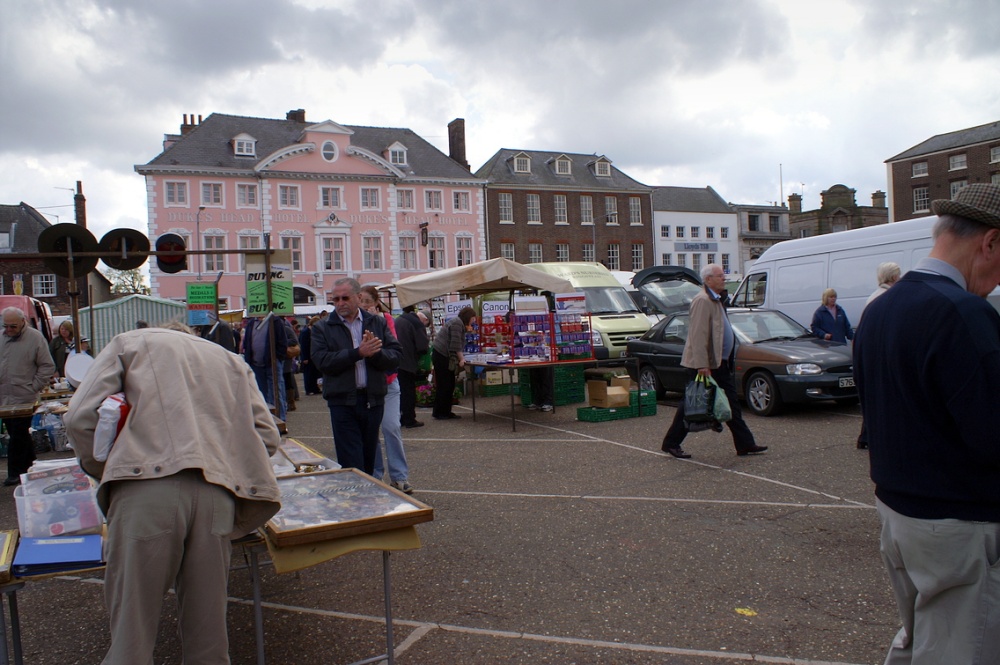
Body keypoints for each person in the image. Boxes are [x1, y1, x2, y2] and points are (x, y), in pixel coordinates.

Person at [63, 322, 280, 664]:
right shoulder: (230, 360)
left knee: (132, 635)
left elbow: (78, 417)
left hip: (143, 490)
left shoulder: (130, 342)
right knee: (208, 638)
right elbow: (267, 437)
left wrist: (107, 468)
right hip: (216, 494)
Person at [660, 264, 768, 459]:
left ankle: (745, 444)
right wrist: (703, 364)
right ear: (708, 279)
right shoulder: (702, 300)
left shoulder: (717, 300)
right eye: (719, 276)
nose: (724, 278)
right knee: (692, 403)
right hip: (704, 365)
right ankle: (671, 443)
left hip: (720, 362)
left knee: (732, 403)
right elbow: (698, 335)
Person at [312, 278, 401, 474]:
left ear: (358, 297)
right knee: (351, 461)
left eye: (345, 298)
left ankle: (367, 501)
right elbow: (322, 361)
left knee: (369, 456)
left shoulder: (376, 322)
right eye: (335, 299)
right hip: (342, 402)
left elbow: (396, 355)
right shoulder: (323, 327)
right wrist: (357, 353)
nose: (340, 303)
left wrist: (376, 353)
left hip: (373, 400)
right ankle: (356, 500)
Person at [359, 286, 413, 494]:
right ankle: (375, 474)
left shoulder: (385, 320)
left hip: (389, 383)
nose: (363, 305)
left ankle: (399, 476)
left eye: (366, 301)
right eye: (360, 301)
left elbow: (392, 349)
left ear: (374, 302)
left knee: (391, 427)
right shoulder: (355, 323)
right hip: (368, 384)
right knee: (371, 432)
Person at [1, 307, 56, 485]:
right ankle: (31, 466)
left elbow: (47, 365)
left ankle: (14, 472)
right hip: (4, 396)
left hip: (25, 396)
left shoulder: (35, 338)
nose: (9, 330)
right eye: (6, 326)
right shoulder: (1, 337)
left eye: (13, 327)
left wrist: (33, 386)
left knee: (18, 434)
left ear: (23, 322)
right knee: (17, 433)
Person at [855, 261, 901, 450]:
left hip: (871, 355)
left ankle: (867, 436)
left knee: (873, 399)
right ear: (893, 277)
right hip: (881, 355)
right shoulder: (887, 297)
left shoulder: (875, 297)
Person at [432, 306, 476, 420]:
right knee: (445, 384)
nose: (474, 321)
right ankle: (442, 412)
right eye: (473, 318)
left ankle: (443, 411)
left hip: (441, 354)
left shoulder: (457, 322)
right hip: (442, 355)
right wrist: (461, 359)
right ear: (468, 317)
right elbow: (455, 344)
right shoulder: (457, 324)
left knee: (447, 384)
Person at [242, 315, 288, 420]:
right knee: (260, 393)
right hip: (255, 363)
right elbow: (247, 342)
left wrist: (277, 358)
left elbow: (282, 342)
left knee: (276, 392)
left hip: (272, 362)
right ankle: (266, 419)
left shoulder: (275, 321)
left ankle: (280, 418)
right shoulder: (251, 322)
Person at [394, 305, 430, 428]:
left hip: (396, 360)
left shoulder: (398, 319)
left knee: (400, 392)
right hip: (408, 362)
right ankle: (409, 419)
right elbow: (422, 347)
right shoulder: (417, 324)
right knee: (409, 392)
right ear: (425, 320)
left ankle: (401, 417)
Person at [282, 318, 300, 412]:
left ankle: (291, 402)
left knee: (287, 379)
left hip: (286, 358)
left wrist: (282, 342)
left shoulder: (286, 328)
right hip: (280, 358)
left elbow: (294, 341)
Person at [299, 316, 321, 395]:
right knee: (308, 374)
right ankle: (309, 389)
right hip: (307, 355)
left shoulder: (312, 331)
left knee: (314, 373)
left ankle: (315, 388)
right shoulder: (305, 332)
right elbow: (303, 345)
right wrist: (304, 358)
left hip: (313, 355)